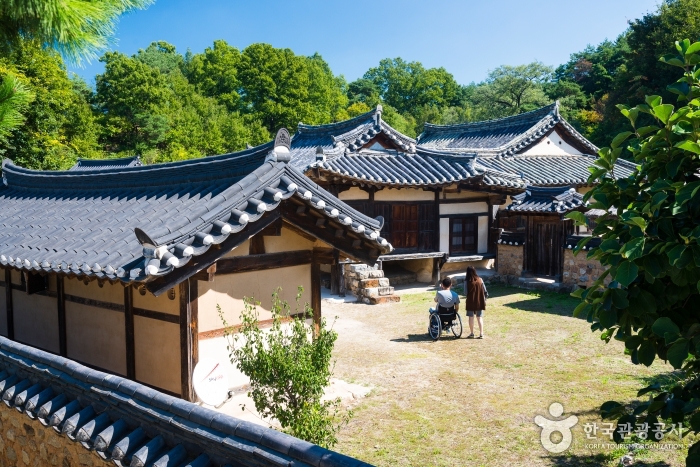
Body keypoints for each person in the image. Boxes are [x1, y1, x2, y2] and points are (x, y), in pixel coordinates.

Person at [464, 266, 488, 339]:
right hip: (479, 301)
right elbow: (485, 291)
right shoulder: (480, 280)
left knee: (471, 318)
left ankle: (472, 333)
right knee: (479, 317)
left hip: (470, 301)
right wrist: (485, 299)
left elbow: (465, 292)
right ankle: (481, 333)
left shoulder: (466, 282)